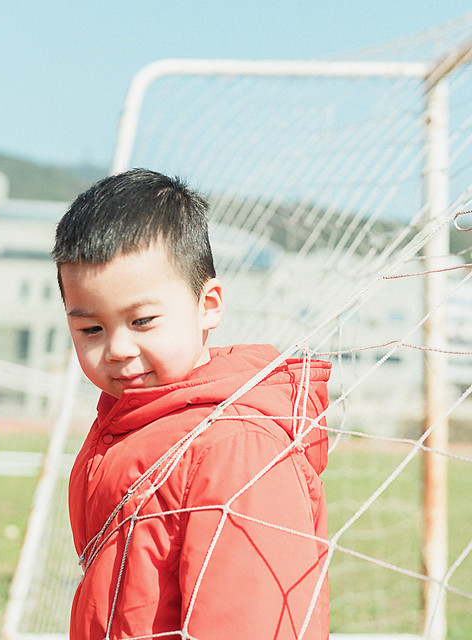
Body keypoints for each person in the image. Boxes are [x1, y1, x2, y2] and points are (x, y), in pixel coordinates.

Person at [54, 168, 331, 640]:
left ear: (209, 305)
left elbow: (251, 624)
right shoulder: (134, 421)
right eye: (91, 330)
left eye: (142, 321)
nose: (117, 349)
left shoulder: (236, 449)